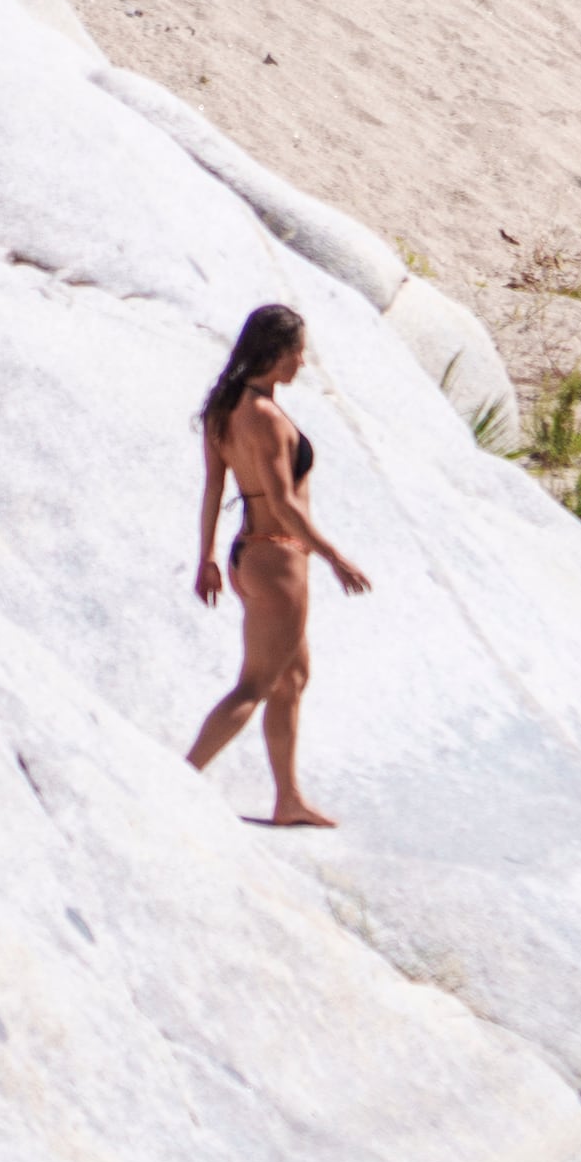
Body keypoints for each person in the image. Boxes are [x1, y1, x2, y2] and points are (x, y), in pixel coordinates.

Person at [187, 303, 369, 828]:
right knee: (256, 683)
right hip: (278, 556)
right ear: (277, 352)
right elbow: (284, 500)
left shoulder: (226, 406)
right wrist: (335, 557)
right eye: (297, 352)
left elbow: (214, 487)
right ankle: (179, 778)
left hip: (248, 554)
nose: (302, 363)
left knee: (291, 678)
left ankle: (288, 799)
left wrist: (208, 558)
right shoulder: (263, 416)